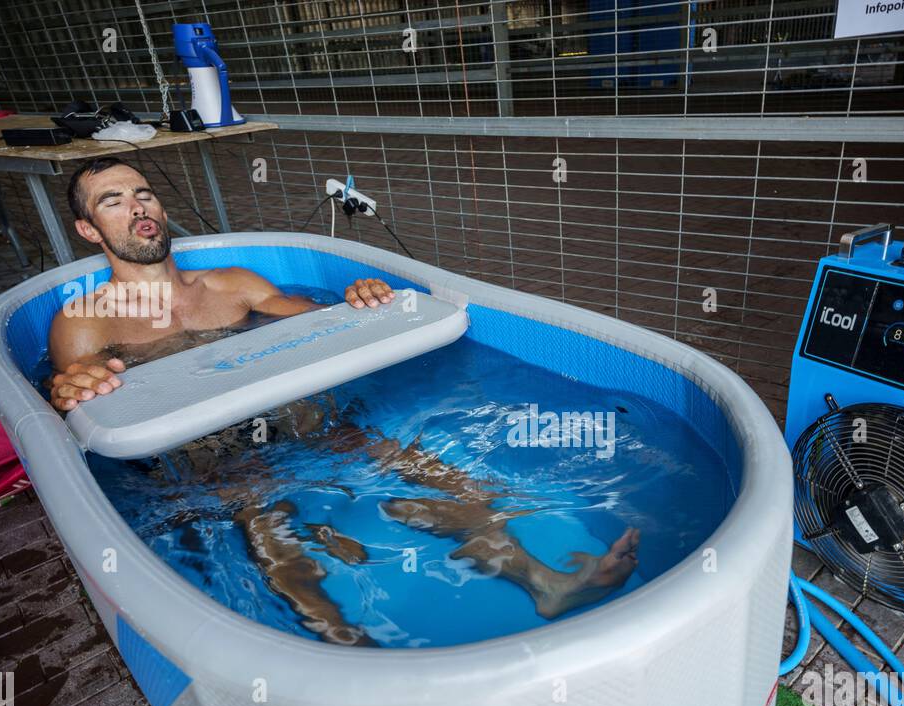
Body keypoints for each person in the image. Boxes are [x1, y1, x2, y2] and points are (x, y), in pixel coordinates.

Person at [47, 157, 640, 646]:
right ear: (89, 231)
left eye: (144, 192)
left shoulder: (234, 286)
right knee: (262, 516)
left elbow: (323, 326)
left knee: (430, 472)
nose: (139, 207)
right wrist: (71, 387)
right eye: (113, 200)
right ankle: (349, 649)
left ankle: (546, 583)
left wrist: (359, 300)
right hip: (218, 463)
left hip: (306, 431)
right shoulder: (85, 321)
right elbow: (83, 394)